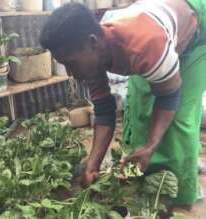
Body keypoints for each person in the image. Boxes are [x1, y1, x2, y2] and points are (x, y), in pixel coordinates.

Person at [40, 0, 206, 216]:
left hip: (194, 36)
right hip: (156, 39)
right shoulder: (93, 54)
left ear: (93, 43)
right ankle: (146, 178)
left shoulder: (145, 44)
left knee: (176, 124)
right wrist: (93, 164)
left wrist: (151, 144)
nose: (70, 73)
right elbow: (104, 109)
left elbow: (169, 95)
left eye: (71, 63)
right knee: (140, 112)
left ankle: (179, 200)